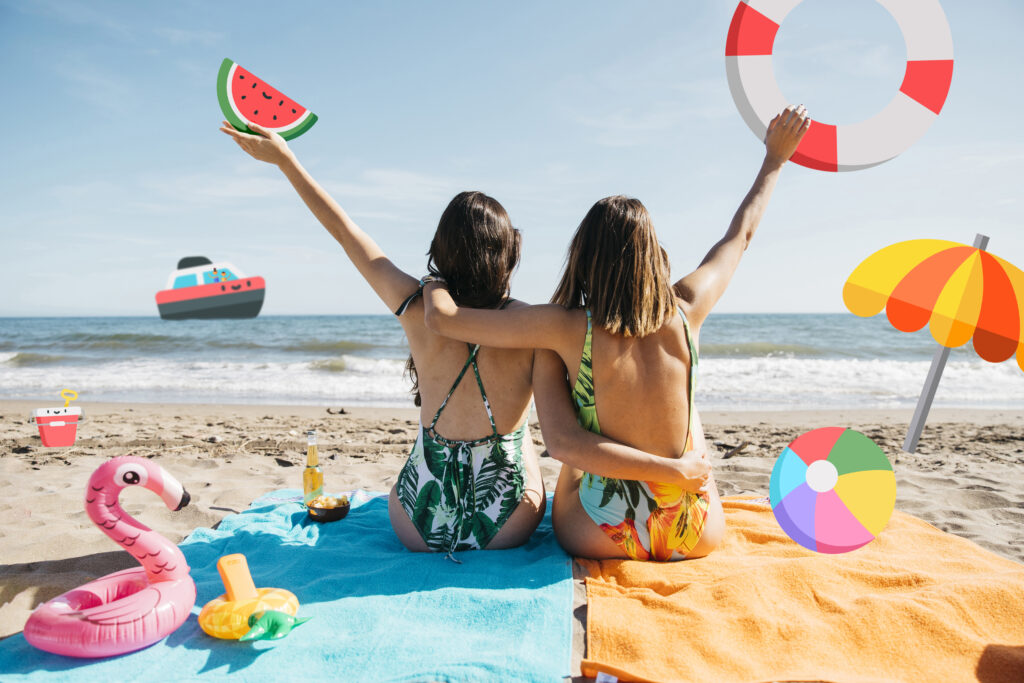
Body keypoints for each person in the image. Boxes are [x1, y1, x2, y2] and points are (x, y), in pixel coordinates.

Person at [219, 121, 702, 559]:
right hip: (507, 524)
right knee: (524, 438)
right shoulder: (534, 328)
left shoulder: (414, 307)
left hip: (415, 522)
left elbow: (347, 234)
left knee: (433, 447)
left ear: (439, 251)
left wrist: (287, 161)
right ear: (510, 253)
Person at [422, 105, 811, 561]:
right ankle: (678, 475)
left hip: (604, 533)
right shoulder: (688, 309)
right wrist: (774, 160)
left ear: (582, 256)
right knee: (690, 414)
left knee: (571, 453)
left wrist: (433, 281)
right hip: (694, 531)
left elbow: (444, 320)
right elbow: (740, 235)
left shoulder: (565, 327)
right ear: (652, 253)